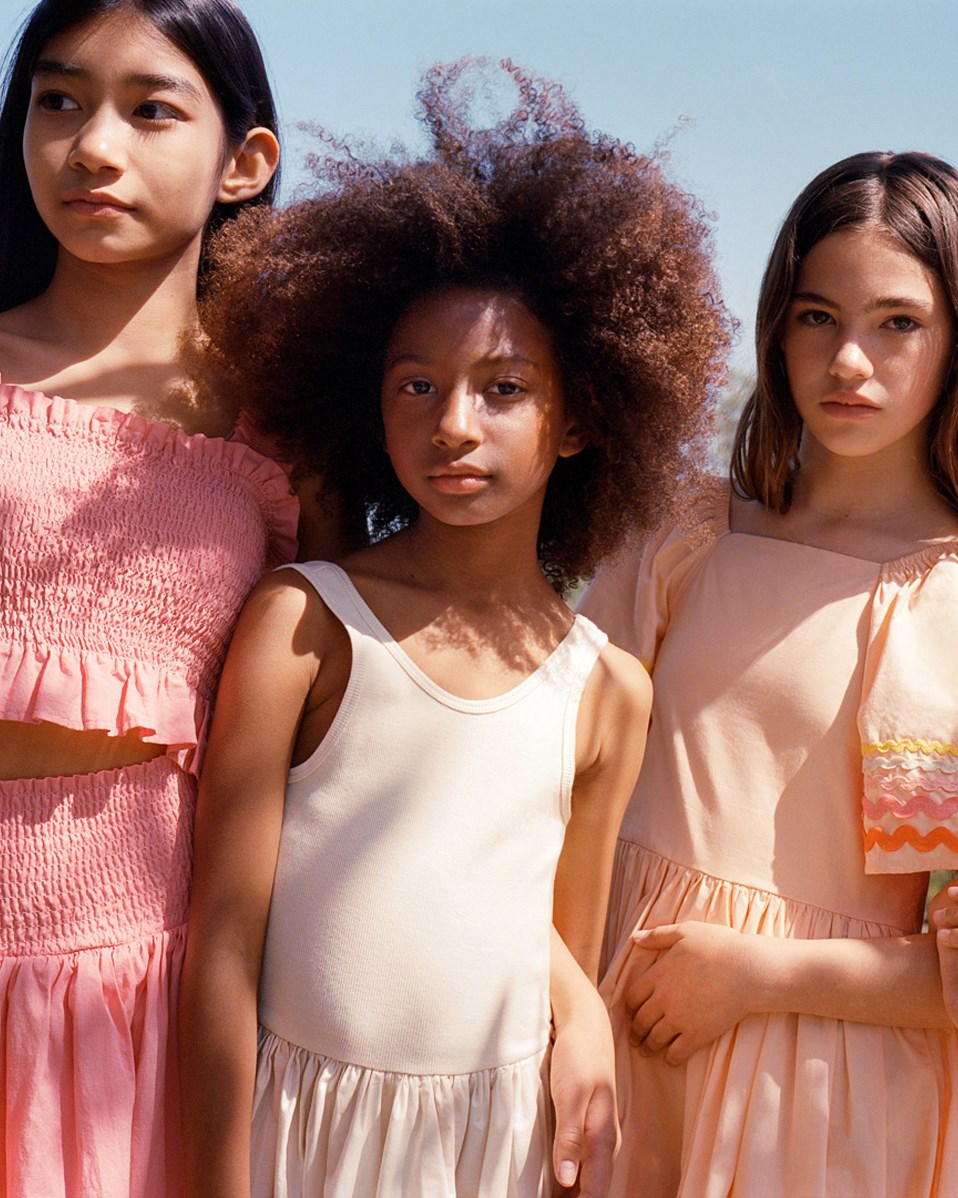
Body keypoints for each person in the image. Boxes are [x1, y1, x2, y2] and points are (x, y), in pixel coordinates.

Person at [178, 59, 730, 1198]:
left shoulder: (607, 690)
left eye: (504, 388)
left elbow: (558, 951)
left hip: (492, 1154)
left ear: (581, 419)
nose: (454, 425)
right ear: (367, 400)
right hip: (298, 1141)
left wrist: (584, 1019)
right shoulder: (304, 625)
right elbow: (223, 943)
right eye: (416, 385)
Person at [580, 149, 958, 1197]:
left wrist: (758, 974)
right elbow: (555, 791)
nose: (849, 360)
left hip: (828, 1096)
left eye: (898, 322)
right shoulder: (679, 535)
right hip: (614, 1043)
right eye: (816, 316)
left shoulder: (947, 605)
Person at [0, 2, 328, 1193]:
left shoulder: (288, 429)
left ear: (246, 161)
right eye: (58, 99)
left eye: (150, 110)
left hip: (145, 994)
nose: (93, 145)